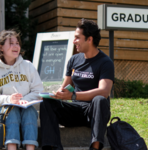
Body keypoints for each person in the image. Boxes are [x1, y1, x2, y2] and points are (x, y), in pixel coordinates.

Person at [40, 19, 114, 150]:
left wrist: (73, 96)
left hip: (94, 112)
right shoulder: (74, 60)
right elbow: (64, 87)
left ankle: (95, 147)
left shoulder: (105, 62)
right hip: (75, 111)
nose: (74, 41)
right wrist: (56, 94)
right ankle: (52, 147)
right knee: (46, 103)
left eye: (77, 38)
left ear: (89, 39)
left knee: (100, 100)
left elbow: (104, 91)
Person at [0, 30, 44, 150]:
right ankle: (11, 147)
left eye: (17, 43)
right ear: (1, 47)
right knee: (12, 111)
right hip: (2, 110)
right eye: (11, 43)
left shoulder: (28, 66)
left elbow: (38, 91)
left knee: (30, 112)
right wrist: (9, 99)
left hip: (25, 107)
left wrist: (23, 100)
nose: (16, 46)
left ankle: (30, 147)